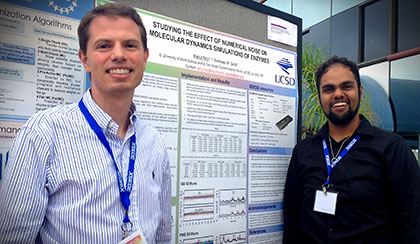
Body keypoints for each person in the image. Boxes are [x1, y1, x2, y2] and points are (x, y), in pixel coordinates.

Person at [0, 3, 171, 243]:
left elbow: (163, 233)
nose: (119, 54)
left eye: (130, 45)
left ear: (144, 58)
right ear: (85, 59)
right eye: (104, 46)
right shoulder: (43, 133)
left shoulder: (154, 142)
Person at [283, 56, 420, 244]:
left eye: (346, 86)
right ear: (320, 96)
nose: (338, 94)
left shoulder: (393, 149)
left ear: (360, 92)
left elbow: (411, 224)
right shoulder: (303, 151)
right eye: (329, 89)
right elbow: (292, 220)